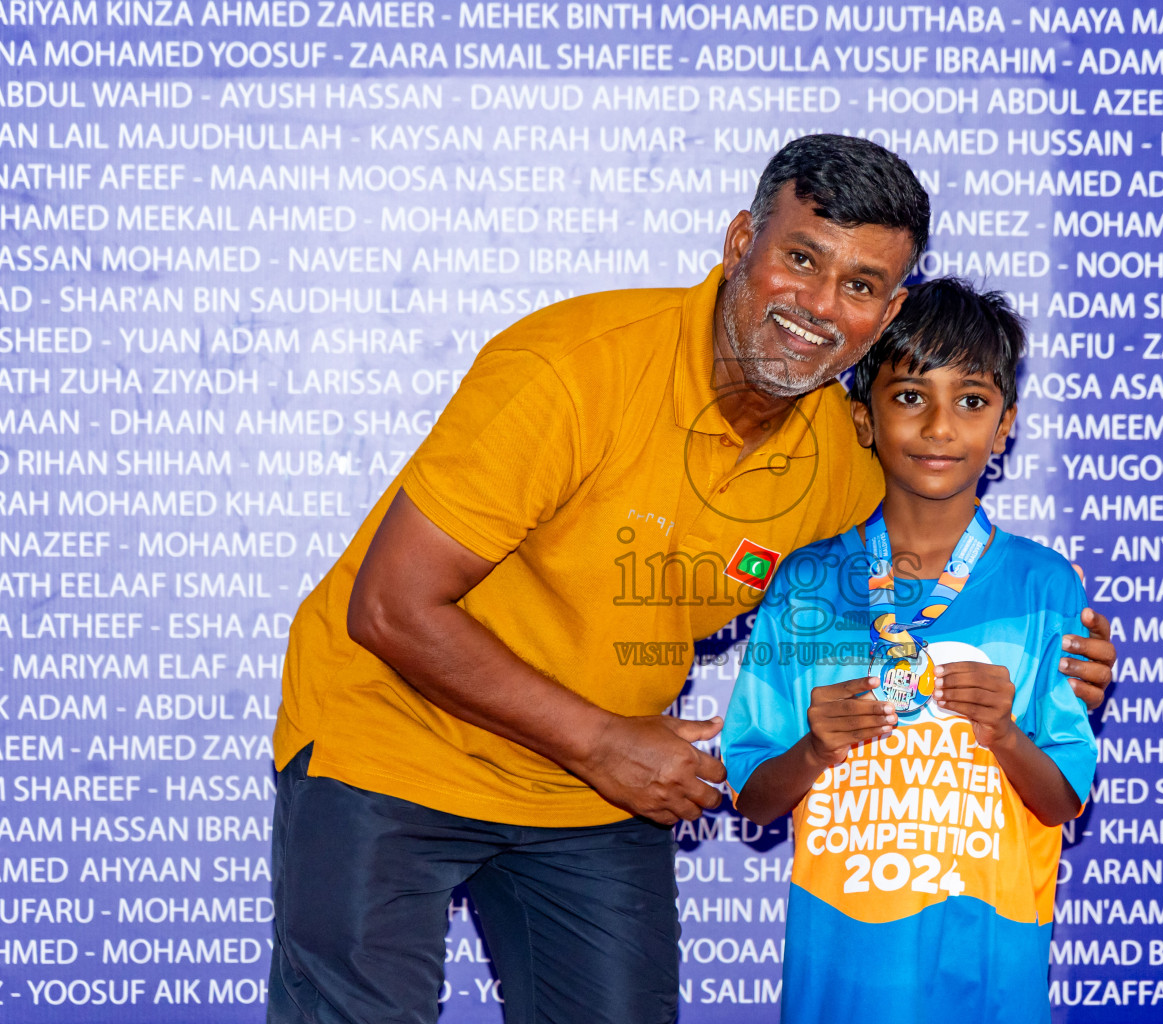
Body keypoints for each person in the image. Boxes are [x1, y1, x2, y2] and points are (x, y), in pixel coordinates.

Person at [267, 135, 1116, 1024]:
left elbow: (935, 577)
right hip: (395, 742)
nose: (820, 307)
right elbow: (391, 607)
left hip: (588, 789)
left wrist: (1059, 653)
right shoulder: (574, 367)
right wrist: (601, 741)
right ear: (740, 240)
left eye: (860, 286)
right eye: (801, 259)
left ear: (888, 307)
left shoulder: (848, 451)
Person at [724, 277, 1095, 1024]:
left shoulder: (1045, 584)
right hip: (842, 972)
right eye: (909, 396)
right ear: (863, 419)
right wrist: (813, 749)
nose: (939, 427)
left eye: (971, 400)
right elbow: (752, 798)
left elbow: (1063, 799)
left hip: (987, 966)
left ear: (1005, 425)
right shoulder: (806, 583)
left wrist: (1005, 733)